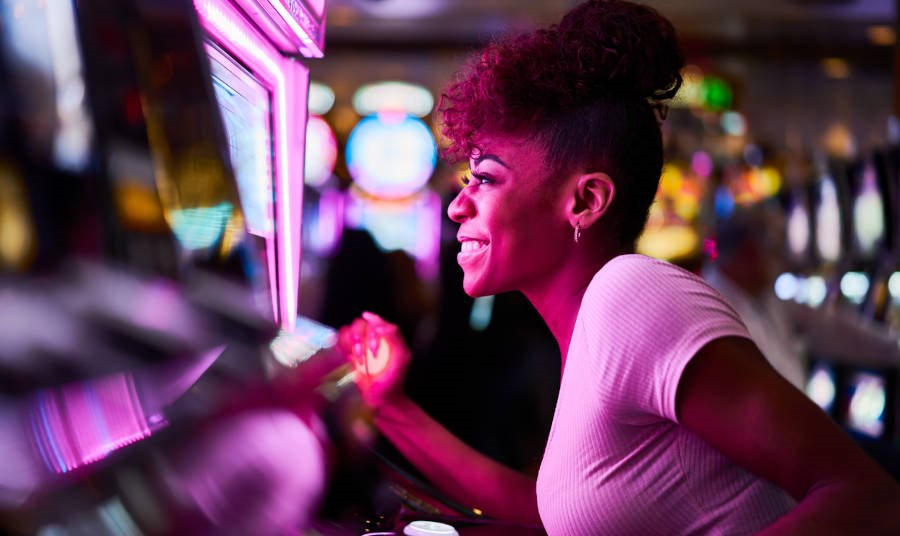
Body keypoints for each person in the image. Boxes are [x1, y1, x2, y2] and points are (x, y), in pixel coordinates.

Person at [337, 1, 900, 534]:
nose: (457, 206)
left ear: (586, 201)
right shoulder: (588, 327)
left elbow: (865, 496)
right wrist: (389, 405)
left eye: (485, 178)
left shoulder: (631, 293)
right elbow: (549, 514)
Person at [704, 204, 900, 389]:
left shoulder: (761, 295)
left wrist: (894, 347)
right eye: (776, 250)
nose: (784, 262)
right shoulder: (713, 312)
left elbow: (830, 327)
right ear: (750, 252)